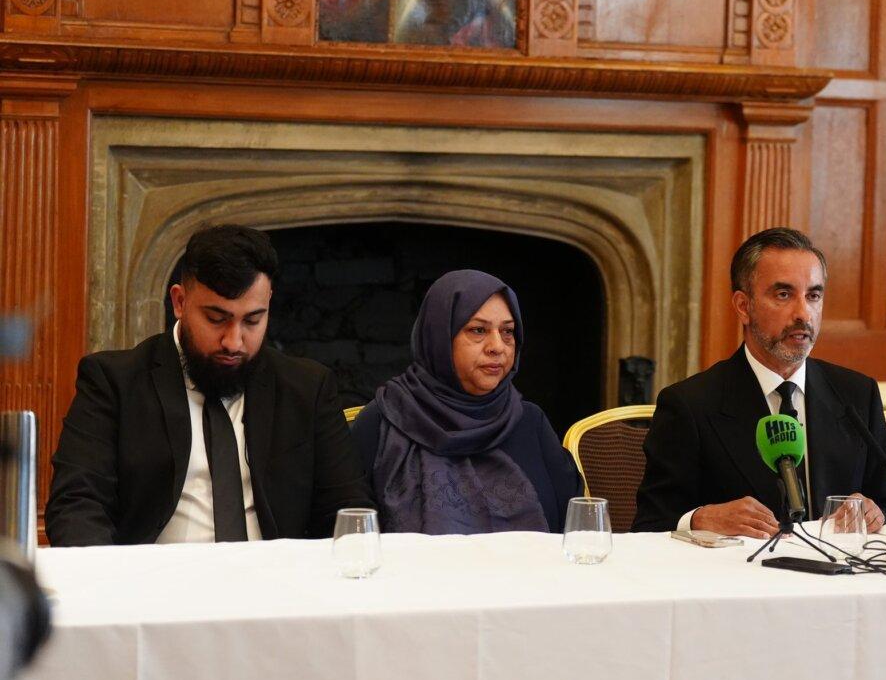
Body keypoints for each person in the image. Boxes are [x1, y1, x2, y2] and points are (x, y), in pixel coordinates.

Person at [45, 225, 374, 546]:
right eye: (216, 319)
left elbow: (347, 511)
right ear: (179, 301)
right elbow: (78, 505)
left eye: (252, 320)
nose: (234, 342)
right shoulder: (114, 382)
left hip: (276, 590)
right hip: (152, 590)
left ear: (269, 302)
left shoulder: (307, 388)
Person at [633, 228, 886, 537]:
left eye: (813, 295)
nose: (803, 313)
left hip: (838, 578)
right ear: (743, 306)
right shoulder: (690, 404)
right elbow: (650, 525)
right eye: (783, 294)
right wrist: (701, 518)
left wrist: (874, 512)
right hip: (739, 579)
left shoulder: (857, 395)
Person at [351, 270, 581, 534]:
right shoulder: (384, 420)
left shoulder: (530, 421)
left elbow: (574, 525)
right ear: (438, 337)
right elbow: (349, 530)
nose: (498, 346)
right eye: (478, 330)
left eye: (508, 332)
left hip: (527, 573)